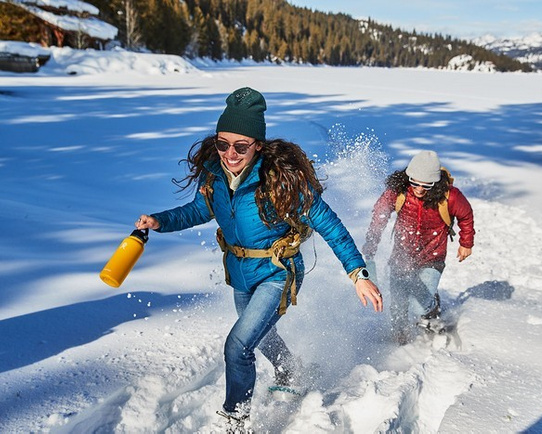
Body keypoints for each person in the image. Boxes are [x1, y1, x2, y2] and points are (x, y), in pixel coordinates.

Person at [135, 87, 383, 424]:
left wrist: (358, 274)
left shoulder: (279, 181)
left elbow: (330, 225)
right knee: (261, 335)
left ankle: (235, 419)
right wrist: (160, 221)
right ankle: (290, 369)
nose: (230, 154)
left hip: (277, 272)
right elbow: (198, 210)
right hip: (240, 272)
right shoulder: (214, 175)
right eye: (223, 144)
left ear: (258, 145)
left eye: (241, 146)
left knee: (237, 346)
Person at [362, 150, 474, 345]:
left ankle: (432, 306)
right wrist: (372, 242)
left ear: (435, 183)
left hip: (432, 257)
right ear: (408, 177)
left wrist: (466, 243)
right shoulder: (398, 191)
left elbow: (466, 216)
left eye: (426, 185)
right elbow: (380, 215)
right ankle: (400, 334)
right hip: (401, 256)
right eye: (415, 182)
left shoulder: (450, 196)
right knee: (398, 303)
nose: (420, 189)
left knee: (418, 306)